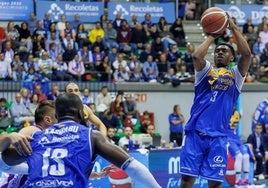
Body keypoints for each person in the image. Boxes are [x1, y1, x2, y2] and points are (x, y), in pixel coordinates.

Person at [1, 93, 161, 188]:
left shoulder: (38, 137)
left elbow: (4, 165)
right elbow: (132, 167)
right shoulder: (90, 136)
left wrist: (8, 138)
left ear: (57, 115)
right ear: (80, 113)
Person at [179, 14, 251, 188]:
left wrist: (233, 27)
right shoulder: (205, 71)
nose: (219, 52)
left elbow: (247, 54)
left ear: (231, 58)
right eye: (217, 51)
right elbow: (196, 57)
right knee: (187, 180)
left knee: (215, 183)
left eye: (224, 51)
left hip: (218, 137)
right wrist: (213, 34)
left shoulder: (236, 76)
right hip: (195, 134)